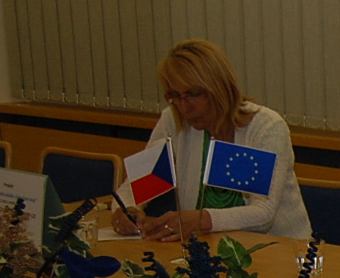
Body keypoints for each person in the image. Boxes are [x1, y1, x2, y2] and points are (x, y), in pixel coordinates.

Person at [114, 39, 311, 241]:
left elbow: (263, 214)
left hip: (279, 249)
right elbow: (136, 188)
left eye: (192, 94)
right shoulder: (174, 120)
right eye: (175, 96)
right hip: (205, 246)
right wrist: (126, 210)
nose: (184, 107)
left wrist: (202, 220)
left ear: (218, 88)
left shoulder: (265, 127)